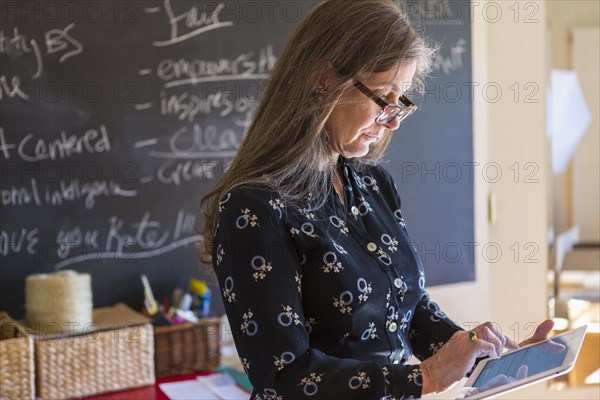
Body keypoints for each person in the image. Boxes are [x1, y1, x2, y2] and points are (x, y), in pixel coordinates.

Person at [200, 0, 554, 398]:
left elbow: (410, 310)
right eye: (384, 97)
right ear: (323, 78)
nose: (394, 118)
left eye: (400, 100)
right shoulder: (254, 206)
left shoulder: (372, 185)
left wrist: (483, 355)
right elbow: (286, 376)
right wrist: (427, 377)